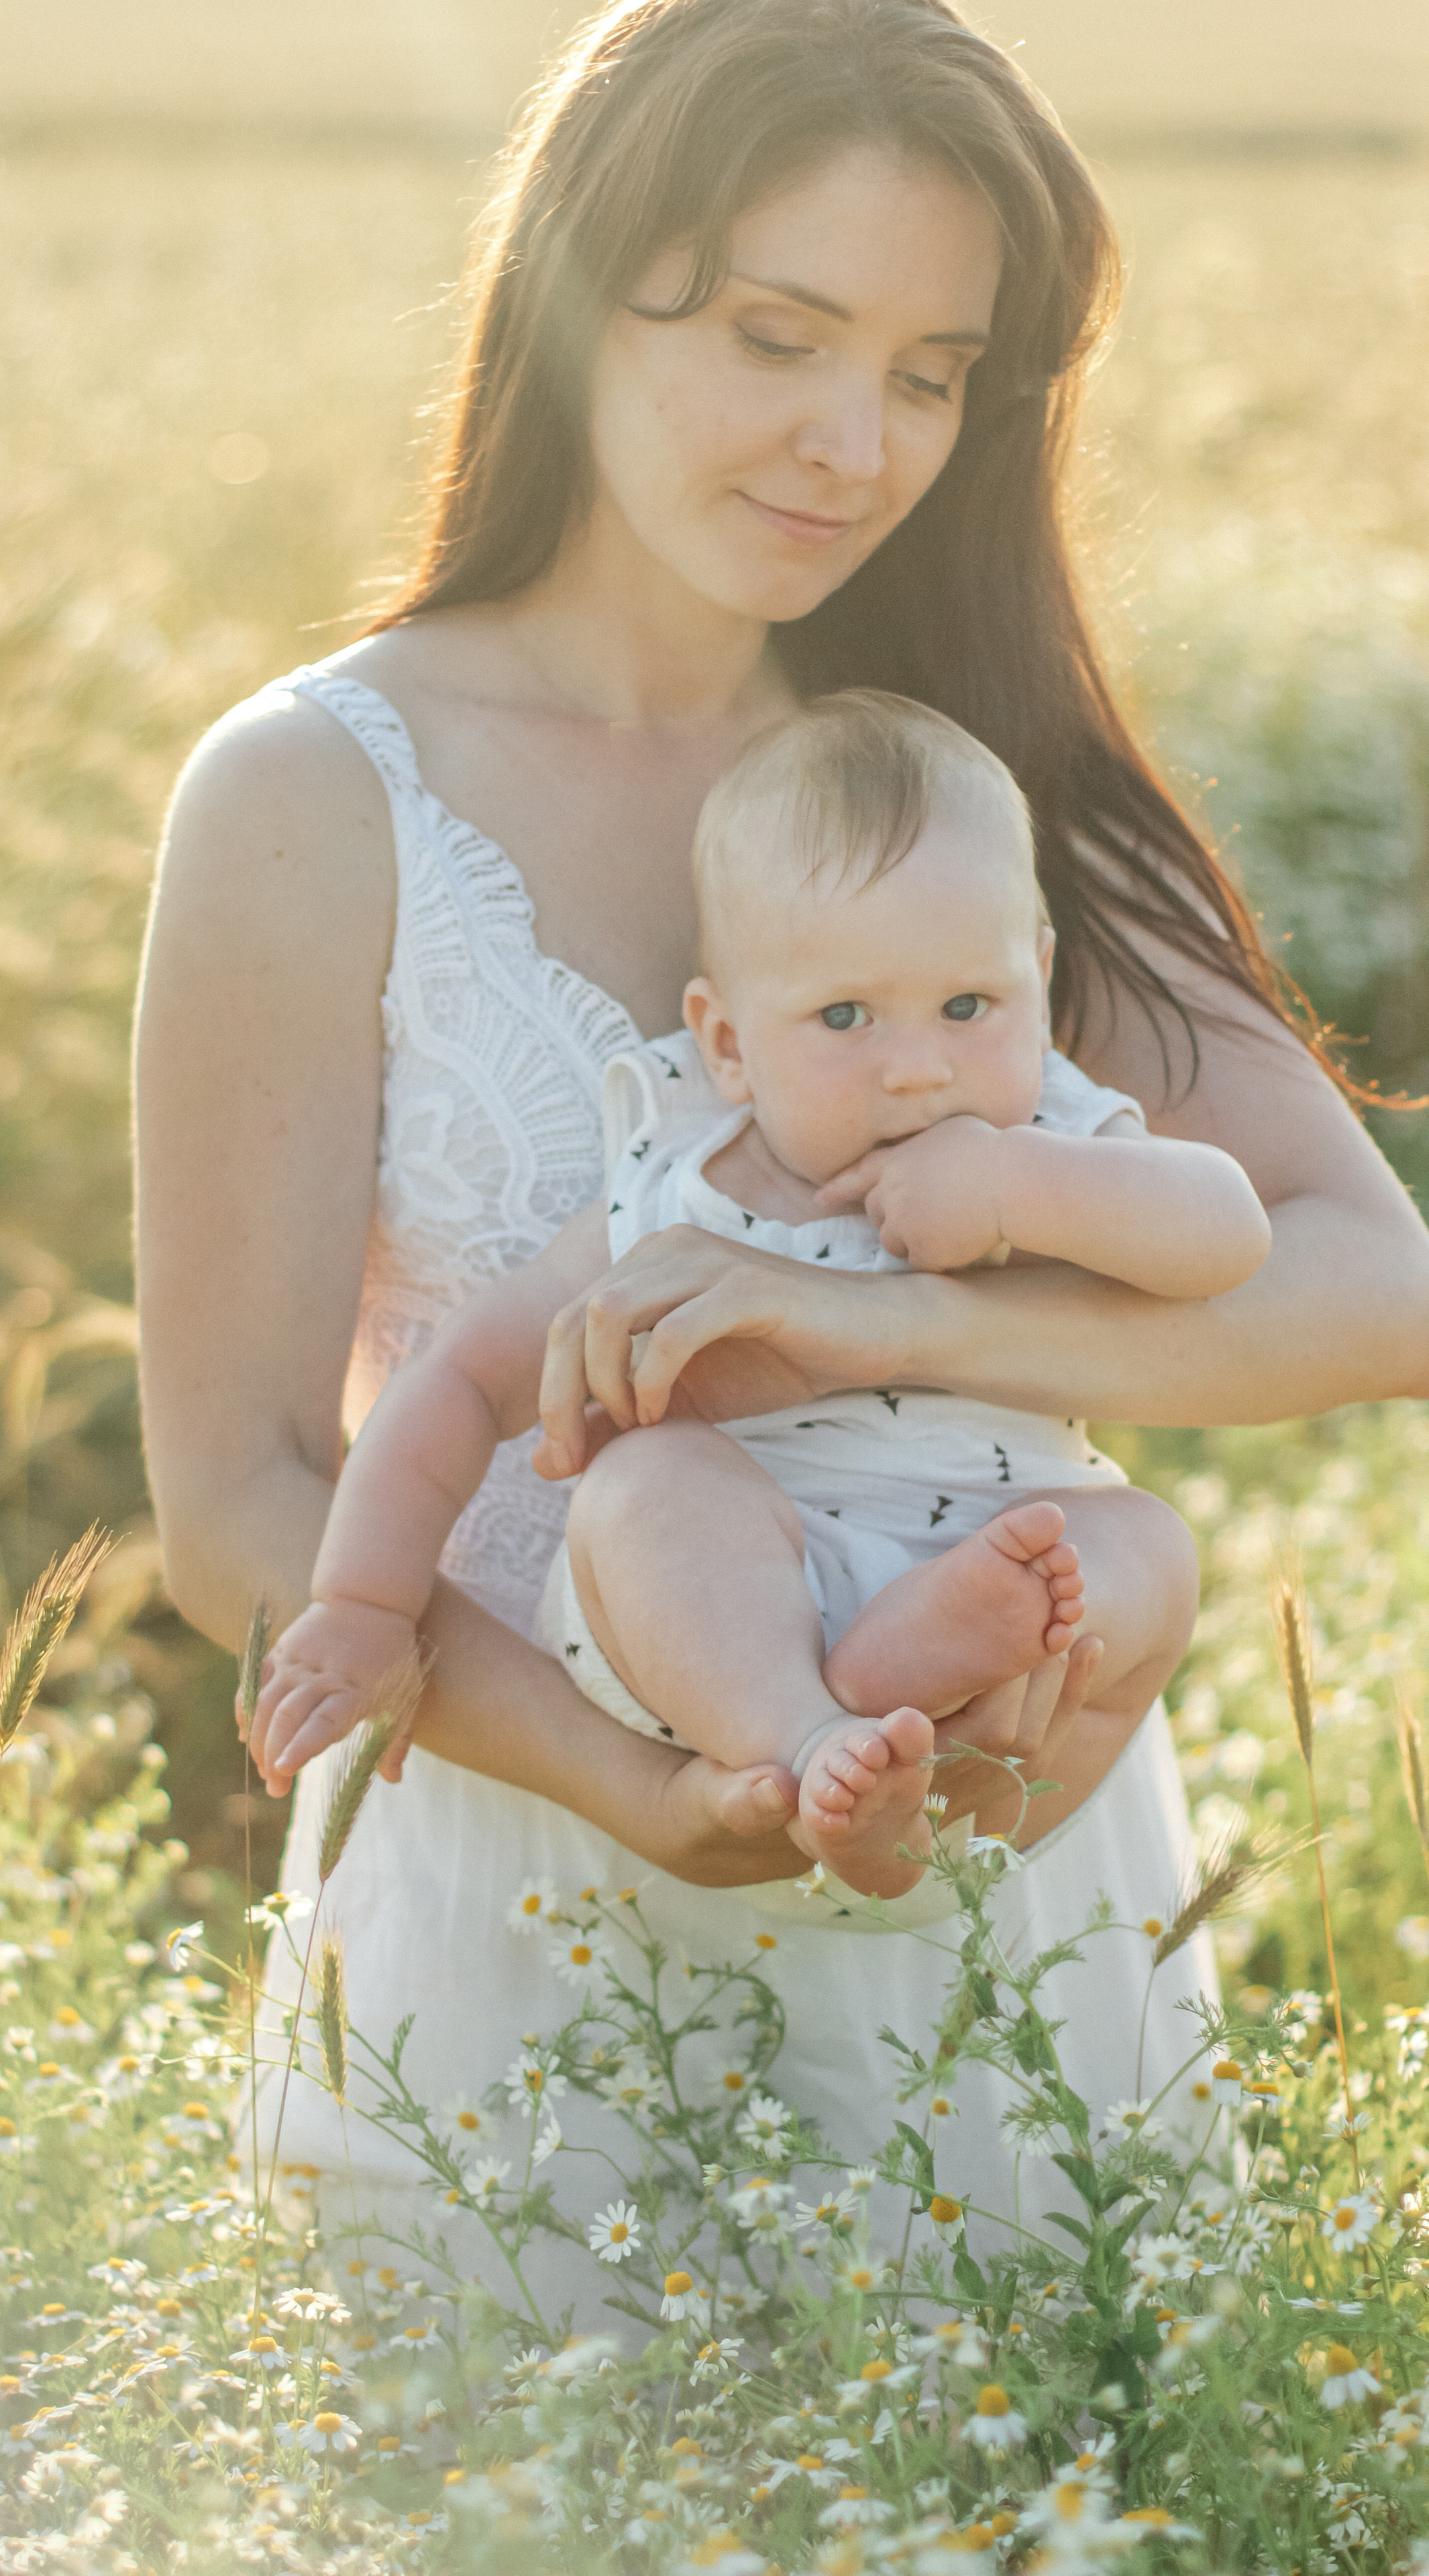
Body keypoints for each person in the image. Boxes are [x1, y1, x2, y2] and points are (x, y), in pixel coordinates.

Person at [133, 0, 1429, 2299]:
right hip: (508, 1884)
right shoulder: (314, 797)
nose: (858, 443)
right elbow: (235, 1492)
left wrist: (873, 1322)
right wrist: (635, 1780)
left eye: (933, 373)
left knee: (1020, 2440)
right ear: (577, 282)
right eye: (776, 336)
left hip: (984, 1867)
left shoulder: (969, 784)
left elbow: (1376, 1283)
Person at [252, 692, 1270, 1900]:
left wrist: (1019, 1186)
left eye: (969, 1006)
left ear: (1036, 979)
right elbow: (464, 1380)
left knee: (1148, 1547)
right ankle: (817, 1740)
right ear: (727, 1043)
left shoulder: (1052, 1131)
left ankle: (920, 1751)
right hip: (728, 1622)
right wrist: (365, 1601)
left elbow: (1229, 1233)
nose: (918, 1068)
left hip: (1004, 1570)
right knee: (645, 1485)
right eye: (844, 1017)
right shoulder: (676, 1186)